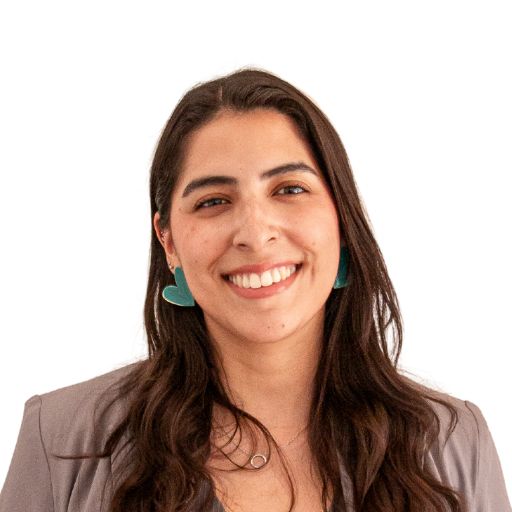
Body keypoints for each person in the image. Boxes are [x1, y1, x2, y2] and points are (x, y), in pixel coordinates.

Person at [0, 68, 510, 512]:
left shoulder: (453, 440)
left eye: (289, 189)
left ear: (341, 221)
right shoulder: (59, 439)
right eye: (213, 201)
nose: (255, 232)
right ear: (168, 241)